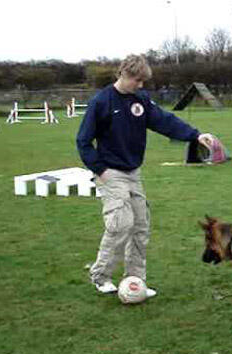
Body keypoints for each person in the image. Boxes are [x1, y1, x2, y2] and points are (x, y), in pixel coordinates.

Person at [76, 54, 213, 296]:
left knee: (140, 226)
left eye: (143, 82)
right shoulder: (102, 102)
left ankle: (135, 281)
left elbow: (164, 121)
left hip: (133, 172)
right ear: (124, 74)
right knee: (120, 224)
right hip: (110, 172)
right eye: (137, 80)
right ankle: (100, 276)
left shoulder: (141, 99)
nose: (141, 85)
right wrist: (101, 170)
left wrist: (194, 135)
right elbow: (83, 141)